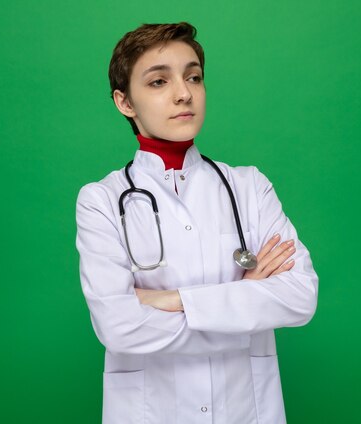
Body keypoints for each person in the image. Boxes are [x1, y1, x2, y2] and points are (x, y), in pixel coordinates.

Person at [75, 22, 318, 424]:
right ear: (125, 103)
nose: (184, 93)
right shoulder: (101, 200)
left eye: (194, 77)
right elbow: (119, 328)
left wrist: (170, 300)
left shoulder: (249, 187)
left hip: (246, 410)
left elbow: (299, 296)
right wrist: (245, 301)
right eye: (158, 82)